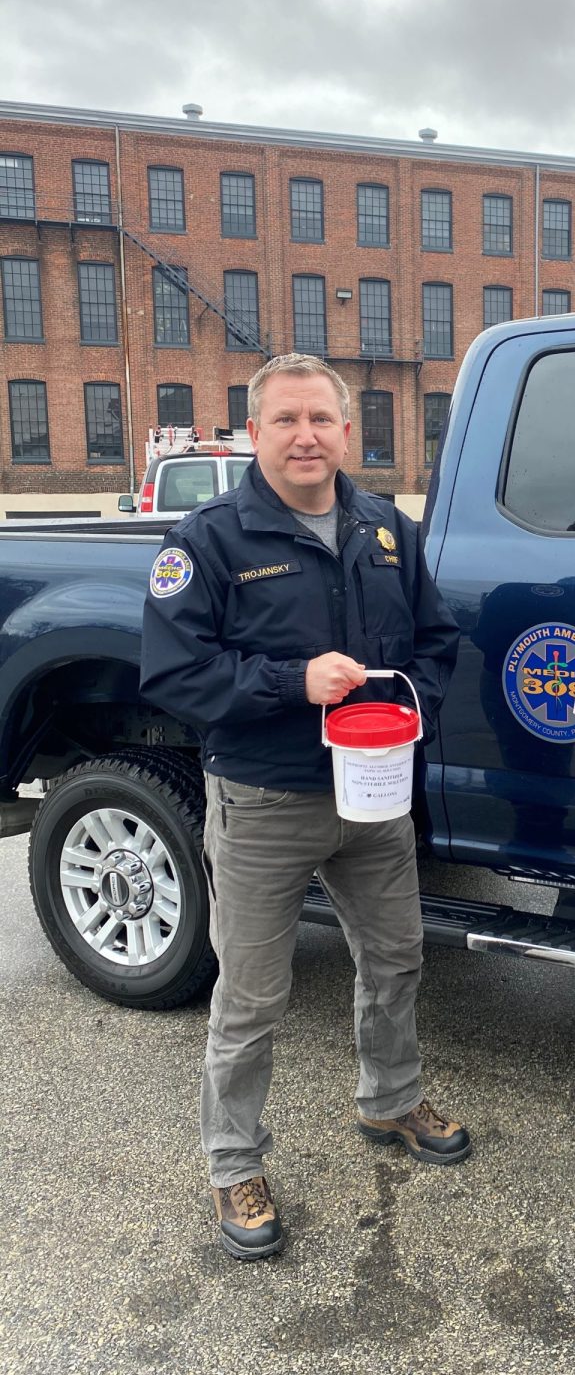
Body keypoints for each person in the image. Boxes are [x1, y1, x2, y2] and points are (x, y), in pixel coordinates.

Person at [140, 353, 467, 1262]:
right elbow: (173, 671)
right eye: (285, 421)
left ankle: (390, 1099)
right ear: (256, 434)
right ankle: (233, 1162)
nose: (305, 436)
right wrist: (294, 682)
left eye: (320, 419)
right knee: (250, 997)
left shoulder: (384, 526)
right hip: (263, 798)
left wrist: (410, 712)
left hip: (372, 797)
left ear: (347, 430)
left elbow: (436, 642)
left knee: (396, 959)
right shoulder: (210, 540)